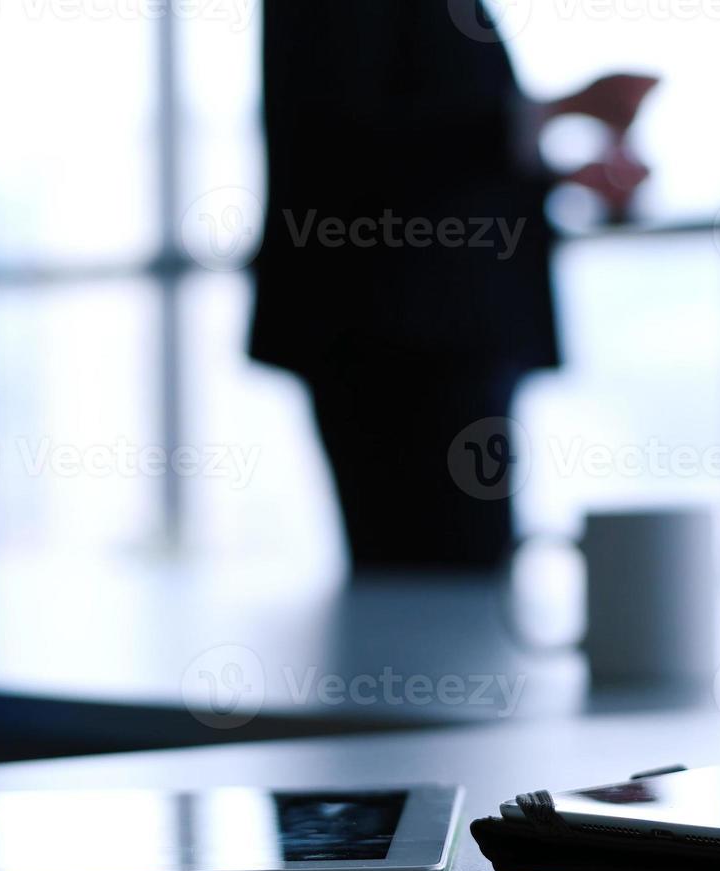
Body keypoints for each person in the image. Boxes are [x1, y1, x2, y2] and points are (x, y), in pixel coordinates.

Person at [253, 0, 654, 569]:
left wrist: (559, 170)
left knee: (454, 580)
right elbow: (341, 142)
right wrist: (559, 110)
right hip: (396, 340)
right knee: (437, 581)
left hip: (431, 335)